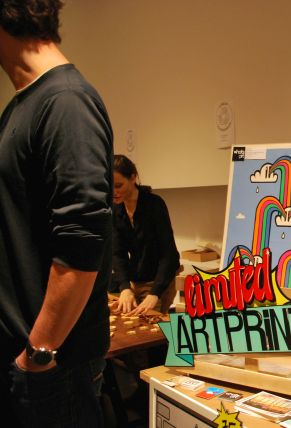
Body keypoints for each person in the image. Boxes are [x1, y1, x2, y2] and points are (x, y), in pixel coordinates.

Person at [0, 1, 113, 426]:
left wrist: (38, 354)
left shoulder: (66, 101)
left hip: (49, 370)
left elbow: (82, 242)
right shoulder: (22, 105)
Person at [112, 154, 180, 315]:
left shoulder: (154, 204)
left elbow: (169, 254)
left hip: (160, 279)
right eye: (109, 186)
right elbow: (117, 253)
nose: (114, 192)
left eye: (119, 185)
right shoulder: (115, 209)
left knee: (151, 325)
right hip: (136, 280)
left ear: (133, 177)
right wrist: (125, 287)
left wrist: (155, 293)